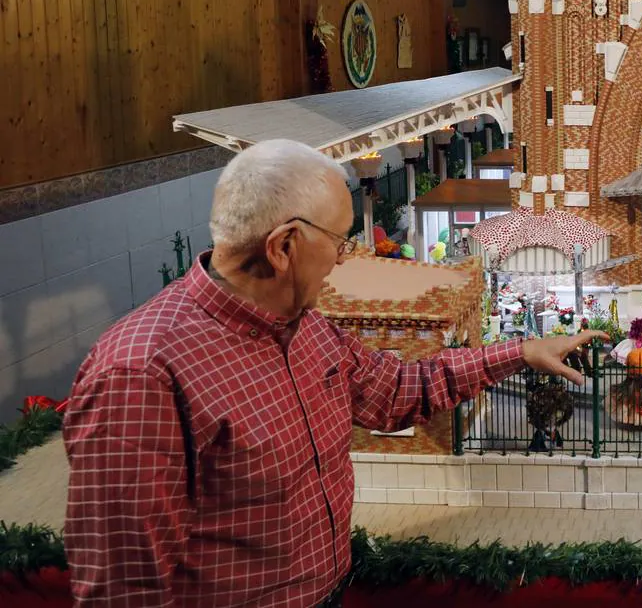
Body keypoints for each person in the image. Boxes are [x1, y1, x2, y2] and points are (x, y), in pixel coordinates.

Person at [62, 139, 604, 607]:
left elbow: (396, 392)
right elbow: (124, 587)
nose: (348, 258)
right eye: (341, 240)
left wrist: (522, 351)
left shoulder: (306, 328)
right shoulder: (142, 370)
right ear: (284, 248)